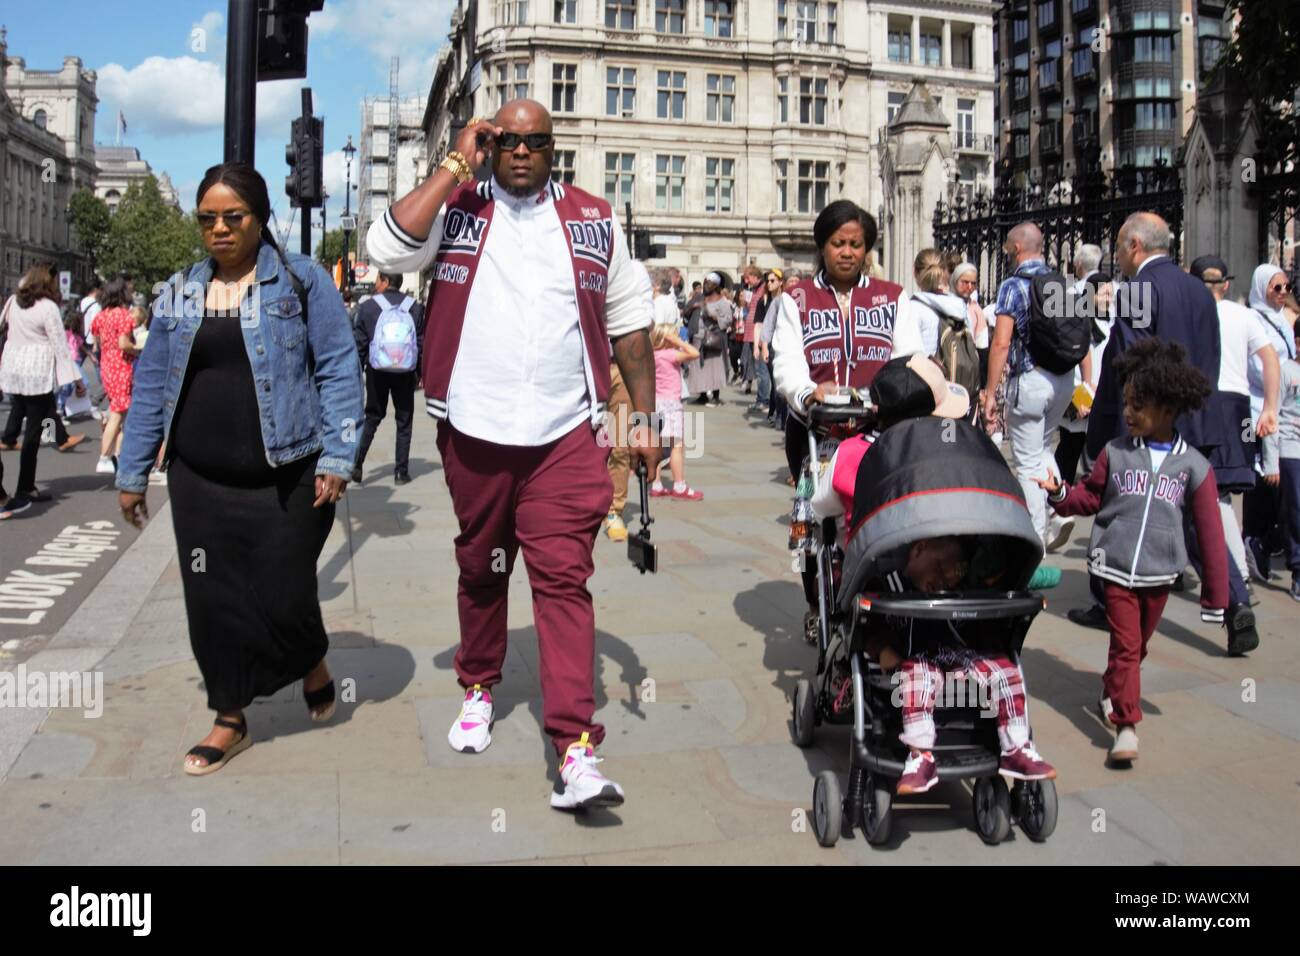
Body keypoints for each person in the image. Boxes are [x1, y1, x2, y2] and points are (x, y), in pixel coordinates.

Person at [364, 99, 656, 810]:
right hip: (474, 429)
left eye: (535, 142)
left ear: (554, 148)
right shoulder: (457, 205)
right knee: (483, 565)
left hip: (566, 435)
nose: (520, 152)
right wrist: (456, 161)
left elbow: (630, 325)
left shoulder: (593, 219)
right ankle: (477, 684)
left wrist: (642, 420)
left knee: (563, 580)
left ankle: (576, 746)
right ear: (490, 145)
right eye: (507, 141)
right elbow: (388, 247)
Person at [115, 162, 362, 775]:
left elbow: (337, 369)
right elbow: (149, 386)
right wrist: (131, 470)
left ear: (259, 218)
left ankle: (311, 659)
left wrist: (339, 456)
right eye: (207, 219)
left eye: (233, 217)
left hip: (291, 471)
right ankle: (230, 718)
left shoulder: (303, 281)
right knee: (214, 602)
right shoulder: (178, 291)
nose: (219, 229)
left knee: (286, 592)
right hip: (200, 479)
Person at [1041, 339, 1231, 765]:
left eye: (1137, 405)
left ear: (1167, 408)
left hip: (1160, 574)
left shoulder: (1195, 467)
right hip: (1115, 569)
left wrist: (1217, 598)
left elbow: (1211, 534)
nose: (1127, 413)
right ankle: (1126, 726)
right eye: (1126, 403)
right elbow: (1089, 498)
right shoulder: (1115, 453)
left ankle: (1112, 690)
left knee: (1136, 647)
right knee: (1127, 646)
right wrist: (1060, 495)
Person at [1072, 214, 1253, 654]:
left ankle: (1105, 598)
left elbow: (1134, 363)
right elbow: (1209, 355)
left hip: (1149, 426)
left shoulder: (1138, 291)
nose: (1116, 257)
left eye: (1118, 247)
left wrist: (1123, 424)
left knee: (1117, 506)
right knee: (1195, 518)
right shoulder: (1198, 289)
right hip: (1195, 420)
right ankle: (1236, 602)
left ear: (1135, 245)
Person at [772, 200, 907, 641]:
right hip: (813, 435)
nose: (847, 252)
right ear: (822, 246)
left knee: (873, 514)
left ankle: (870, 595)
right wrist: (809, 391)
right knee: (811, 520)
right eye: (838, 243)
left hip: (875, 433)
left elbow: (908, 357)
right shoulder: (797, 300)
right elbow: (786, 363)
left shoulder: (891, 298)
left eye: (856, 244)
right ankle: (817, 602)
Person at [982, 222, 1078, 555]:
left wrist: (991, 392)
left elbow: (1001, 342)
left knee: (1025, 463)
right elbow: (1084, 338)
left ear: (1018, 248)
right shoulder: (1065, 284)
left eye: (1009, 248)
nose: (1007, 253)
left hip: (1030, 379)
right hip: (1063, 379)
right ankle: (1056, 511)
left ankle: (1034, 538)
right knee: (1043, 448)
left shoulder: (1013, 285)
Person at [1191, 255, 1281, 593]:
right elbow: (1270, 358)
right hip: (1238, 408)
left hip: (1203, 403)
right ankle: (1235, 569)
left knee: (1204, 493)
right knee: (1221, 493)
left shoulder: (1193, 314)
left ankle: (1231, 570)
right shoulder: (1244, 315)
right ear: (1226, 285)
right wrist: (1269, 407)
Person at [0, 266, 81, 518]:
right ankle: (26, 486)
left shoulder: (14, 301)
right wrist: (74, 378)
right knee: (34, 430)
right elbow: (59, 343)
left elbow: (2, 324)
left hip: (14, 367)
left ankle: (56, 437)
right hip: (37, 370)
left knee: (30, 411)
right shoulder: (47, 307)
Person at [1242, 263, 1298, 581]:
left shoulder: (1282, 322)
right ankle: (1254, 537)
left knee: (1281, 481)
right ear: (1261, 286)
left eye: (1286, 287)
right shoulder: (1253, 319)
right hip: (1259, 410)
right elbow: (1260, 370)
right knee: (1263, 475)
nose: (1282, 293)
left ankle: (1265, 539)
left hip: (1285, 411)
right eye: (1276, 288)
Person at [350, 271, 426, 485]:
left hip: (377, 371)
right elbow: (421, 343)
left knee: (373, 416)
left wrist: (359, 369)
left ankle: (357, 463)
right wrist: (419, 372)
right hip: (405, 371)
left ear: (385, 281)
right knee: (404, 420)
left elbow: (361, 344)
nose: (375, 284)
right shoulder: (415, 307)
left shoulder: (368, 307)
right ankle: (401, 472)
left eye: (377, 280)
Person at [604, 256, 653, 542]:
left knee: (620, 442)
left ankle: (614, 509)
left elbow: (646, 317)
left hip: (622, 365)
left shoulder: (634, 271)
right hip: (583, 364)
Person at [895, 248, 981, 397]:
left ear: (915, 272)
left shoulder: (912, 308)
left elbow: (905, 353)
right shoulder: (960, 307)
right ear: (944, 273)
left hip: (924, 387)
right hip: (957, 389)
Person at [1260, 323, 1300, 601]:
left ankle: (1264, 543)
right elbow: (1270, 417)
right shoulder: (1285, 371)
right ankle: (1298, 572)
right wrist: (1271, 462)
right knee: (1297, 512)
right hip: (1290, 450)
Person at [649, 324, 703, 499]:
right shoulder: (670, 355)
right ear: (667, 339)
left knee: (658, 445)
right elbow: (695, 353)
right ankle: (679, 485)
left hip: (655, 403)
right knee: (676, 446)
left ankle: (656, 483)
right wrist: (678, 341)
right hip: (671, 404)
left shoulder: (653, 355)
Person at [90, 278, 139, 474]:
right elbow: (124, 343)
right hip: (121, 364)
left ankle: (119, 456)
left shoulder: (101, 316)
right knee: (118, 414)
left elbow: (97, 340)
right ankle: (104, 457)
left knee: (119, 412)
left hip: (107, 364)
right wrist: (138, 349)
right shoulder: (123, 315)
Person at [685, 273, 730, 406]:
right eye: (705, 282)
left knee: (714, 368)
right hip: (697, 337)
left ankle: (716, 397)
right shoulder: (699, 298)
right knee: (698, 368)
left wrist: (712, 316)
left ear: (716, 285)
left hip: (713, 339)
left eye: (709, 283)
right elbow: (685, 312)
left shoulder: (722, 302)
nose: (706, 285)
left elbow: (727, 321)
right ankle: (703, 395)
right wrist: (693, 307)